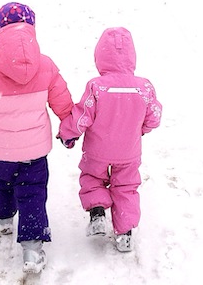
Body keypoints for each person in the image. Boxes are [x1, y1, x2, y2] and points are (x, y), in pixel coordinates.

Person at [0, 2, 73, 274]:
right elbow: (64, 105)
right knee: (33, 193)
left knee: (1, 184)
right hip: (35, 152)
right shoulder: (46, 67)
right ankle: (32, 249)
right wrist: (68, 130)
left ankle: (3, 217)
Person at [57, 26, 162, 252]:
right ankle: (124, 234)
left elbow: (82, 116)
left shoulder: (97, 86)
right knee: (126, 187)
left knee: (93, 178)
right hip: (129, 152)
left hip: (98, 150)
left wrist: (68, 134)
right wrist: (140, 129)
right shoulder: (144, 87)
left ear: (100, 57)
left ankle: (97, 213)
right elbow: (154, 116)